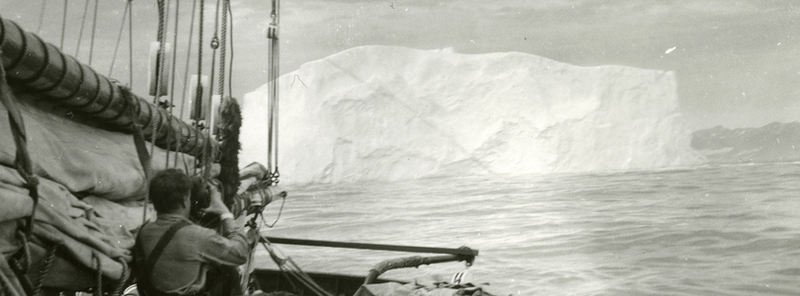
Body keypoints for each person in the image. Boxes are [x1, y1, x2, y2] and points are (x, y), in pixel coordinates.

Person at [133, 169, 258, 296]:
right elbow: (241, 253)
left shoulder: (144, 231)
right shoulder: (197, 236)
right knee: (229, 272)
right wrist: (224, 212)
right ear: (185, 200)